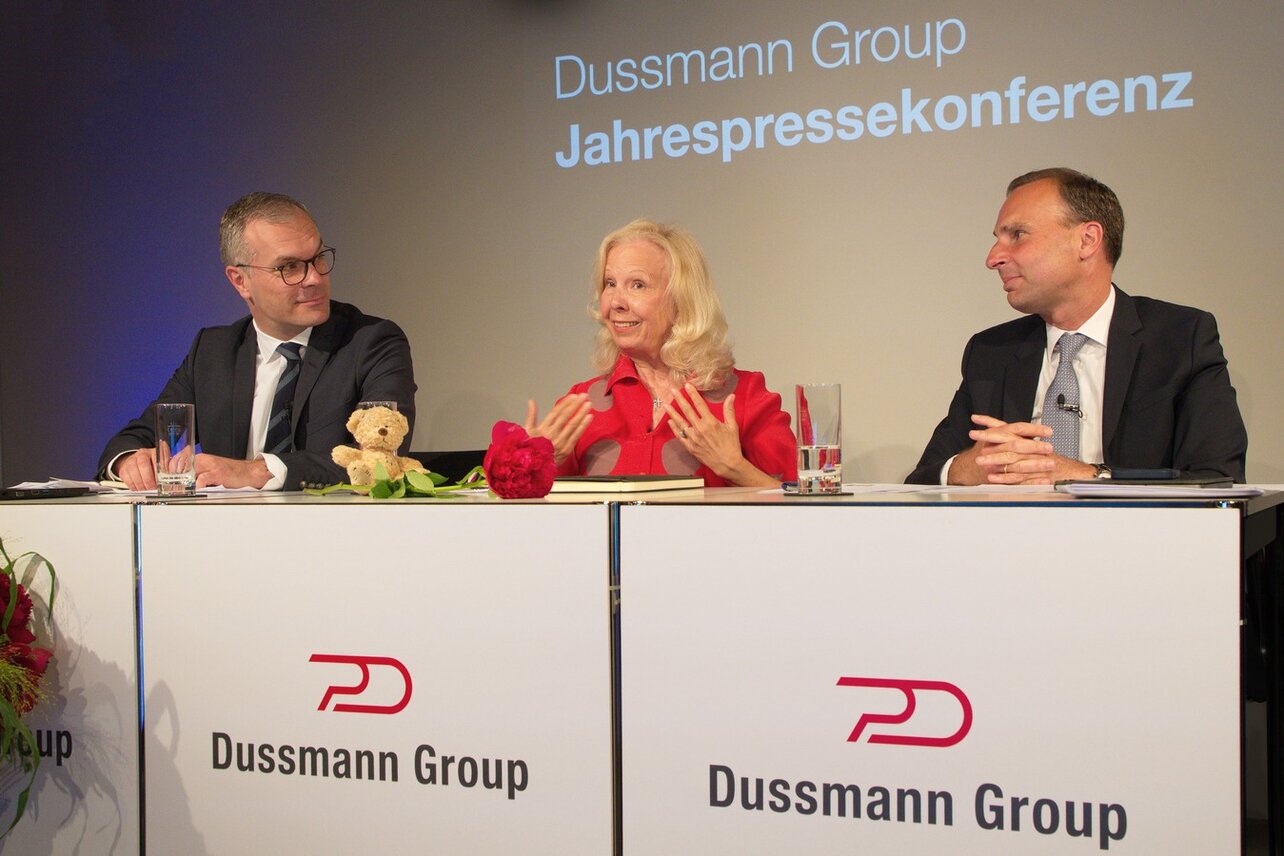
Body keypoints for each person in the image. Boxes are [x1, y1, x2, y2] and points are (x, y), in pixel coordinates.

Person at [907, 168, 1246, 485]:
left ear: (1087, 240)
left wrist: (1086, 477)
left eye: (1018, 235)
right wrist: (973, 466)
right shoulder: (992, 351)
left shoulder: (1180, 338)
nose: (993, 257)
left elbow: (1217, 479)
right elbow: (921, 480)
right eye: (998, 238)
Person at [97, 192, 417, 491]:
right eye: (290, 267)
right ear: (240, 281)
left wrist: (254, 472)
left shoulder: (372, 343)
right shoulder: (213, 351)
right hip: (226, 539)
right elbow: (135, 437)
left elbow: (380, 459)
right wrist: (129, 461)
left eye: (318, 257)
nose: (315, 278)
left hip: (331, 537)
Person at [526, 219, 796, 488]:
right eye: (610, 283)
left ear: (681, 298)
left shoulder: (744, 398)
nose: (616, 302)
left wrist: (734, 468)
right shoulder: (581, 405)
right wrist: (539, 464)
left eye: (637, 285)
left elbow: (805, 509)